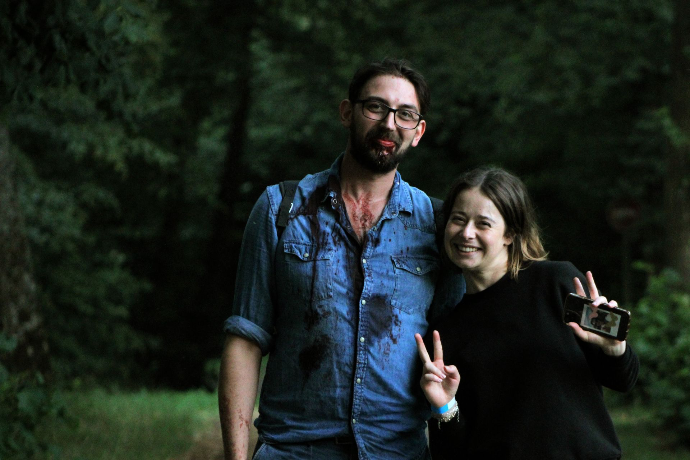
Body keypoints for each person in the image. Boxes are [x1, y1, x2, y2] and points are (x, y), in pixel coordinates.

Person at [218, 58, 465, 460]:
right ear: (347, 112)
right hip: (293, 451)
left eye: (405, 114)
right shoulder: (281, 208)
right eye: (376, 107)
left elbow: (466, 344)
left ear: (418, 132)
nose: (389, 124)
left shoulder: (439, 227)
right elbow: (245, 339)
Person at [414, 167, 639, 459]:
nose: (466, 233)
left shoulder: (556, 283)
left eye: (483, 223)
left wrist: (613, 348)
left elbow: (623, 381)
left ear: (510, 233)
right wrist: (444, 407)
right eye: (458, 219)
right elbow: (453, 452)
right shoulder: (445, 332)